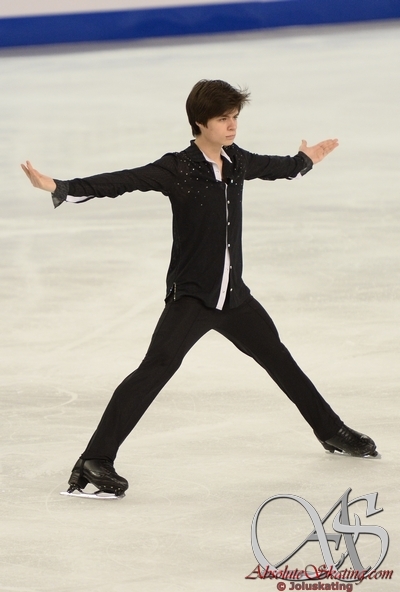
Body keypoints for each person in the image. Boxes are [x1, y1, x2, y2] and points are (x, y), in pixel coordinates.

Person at [21, 79, 377, 497]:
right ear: (200, 122)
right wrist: (61, 187)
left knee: (279, 359)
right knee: (156, 368)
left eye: (235, 117)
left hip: (234, 297)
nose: (232, 126)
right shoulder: (177, 168)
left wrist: (305, 159)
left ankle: (330, 430)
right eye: (223, 119)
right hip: (192, 297)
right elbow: (122, 181)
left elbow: (277, 167)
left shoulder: (237, 161)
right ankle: (95, 459)